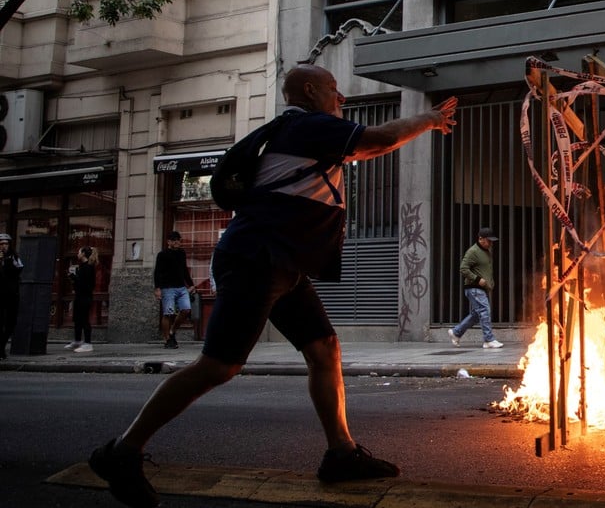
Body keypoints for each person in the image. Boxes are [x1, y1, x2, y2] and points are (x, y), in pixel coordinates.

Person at [88, 62, 458, 508]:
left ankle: (341, 453)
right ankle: (122, 452)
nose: (341, 98)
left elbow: (353, 156)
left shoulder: (300, 132)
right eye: (334, 89)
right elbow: (377, 141)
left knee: (324, 349)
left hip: (284, 262)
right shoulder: (306, 126)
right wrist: (429, 118)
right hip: (257, 260)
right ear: (310, 90)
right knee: (219, 366)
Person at [449, 227, 504, 349]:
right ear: (480, 239)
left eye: (491, 241)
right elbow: (463, 268)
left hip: (480, 288)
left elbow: (485, 270)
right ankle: (489, 340)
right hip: (474, 288)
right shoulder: (473, 251)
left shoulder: (486, 251)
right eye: (488, 241)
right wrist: (478, 279)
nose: (491, 243)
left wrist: (490, 283)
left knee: (476, 314)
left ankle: (456, 332)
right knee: (484, 310)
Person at [154, 231, 195, 349]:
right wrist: (157, 288)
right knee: (168, 313)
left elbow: (184, 269)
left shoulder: (181, 253)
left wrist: (191, 284)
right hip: (167, 288)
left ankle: (172, 331)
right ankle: (167, 339)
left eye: (179, 240)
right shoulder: (162, 254)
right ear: (169, 242)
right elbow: (157, 272)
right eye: (174, 240)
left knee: (186, 310)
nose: (177, 242)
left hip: (181, 287)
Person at [67, 246, 99, 353]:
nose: (77, 254)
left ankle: (88, 343)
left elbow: (86, 284)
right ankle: (77, 340)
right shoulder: (82, 266)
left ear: (83, 254)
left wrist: (74, 278)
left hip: (85, 297)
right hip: (80, 296)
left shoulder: (88, 267)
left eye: (79, 252)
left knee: (84, 320)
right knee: (77, 319)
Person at [0, 233, 24, 359]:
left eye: (6, 243)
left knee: (11, 322)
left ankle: (1, 347)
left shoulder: (13, 257)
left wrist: (7, 261)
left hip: (11, 294)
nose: (3, 246)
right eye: (1, 244)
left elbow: (19, 269)